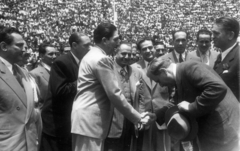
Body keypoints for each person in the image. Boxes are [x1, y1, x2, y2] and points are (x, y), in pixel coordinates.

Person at [71, 22, 154, 151]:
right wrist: (138, 118)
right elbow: (114, 94)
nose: (118, 42)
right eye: (115, 39)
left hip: (86, 119)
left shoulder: (91, 55)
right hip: (91, 121)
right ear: (104, 40)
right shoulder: (101, 59)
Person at [147, 58, 240, 151]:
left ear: (164, 72)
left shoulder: (190, 68)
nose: (161, 85)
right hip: (217, 130)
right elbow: (178, 102)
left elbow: (217, 88)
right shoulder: (179, 75)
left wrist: (192, 107)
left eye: (158, 81)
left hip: (227, 129)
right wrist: (156, 115)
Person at [40, 32, 91, 151]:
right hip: (57, 124)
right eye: (86, 45)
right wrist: (83, 80)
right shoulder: (61, 62)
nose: (89, 48)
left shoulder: (83, 61)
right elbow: (60, 91)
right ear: (74, 45)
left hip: (71, 121)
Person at [0, 27, 42, 150]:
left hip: (28, 142)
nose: (25, 49)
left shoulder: (23, 72)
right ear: (4, 47)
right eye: (19, 45)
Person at [104, 42, 145, 151]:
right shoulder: (107, 70)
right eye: (123, 54)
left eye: (130, 54)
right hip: (113, 121)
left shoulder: (137, 72)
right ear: (115, 53)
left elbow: (141, 97)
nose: (127, 57)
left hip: (131, 122)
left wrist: (140, 116)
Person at [133, 37, 171, 151]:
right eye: (145, 49)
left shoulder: (165, 64)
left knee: (163, 148)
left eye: (150, 47)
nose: (149, 50)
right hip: (144, 115)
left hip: (162, 114)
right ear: (139, 52)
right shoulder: (134, 67)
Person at [212, 17, 239, 101]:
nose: (213, 37)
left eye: (216, 33)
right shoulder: (220, 57)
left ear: (230, 35)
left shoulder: (238, 57)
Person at [30, 43, 59, 108]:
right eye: (51, 54)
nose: (54, 56)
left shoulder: (59, 71)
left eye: (55, 54)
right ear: (42, 56)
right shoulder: (35, 74)